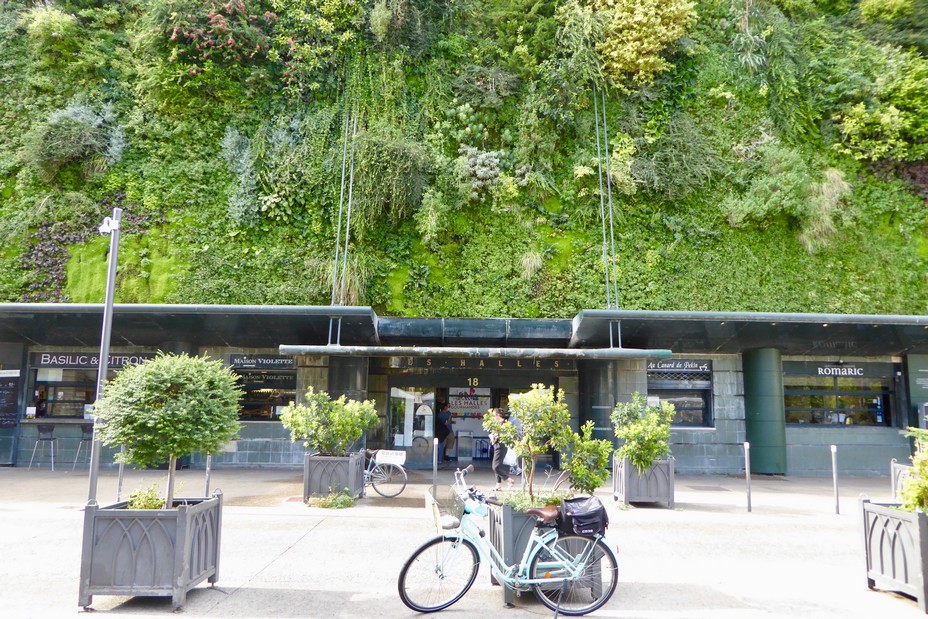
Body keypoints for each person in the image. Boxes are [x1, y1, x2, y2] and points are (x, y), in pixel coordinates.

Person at [489, 408, 513, 491]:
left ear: (498, 415)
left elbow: (504, 435)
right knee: (498, 466)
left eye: (494, 415)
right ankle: (498, 485)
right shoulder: (496, 424)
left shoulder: (504, 424)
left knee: (495, 466)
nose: (493, 417)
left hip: (501, 446)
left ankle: (509, 480)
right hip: (496, 445)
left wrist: (495, 437)